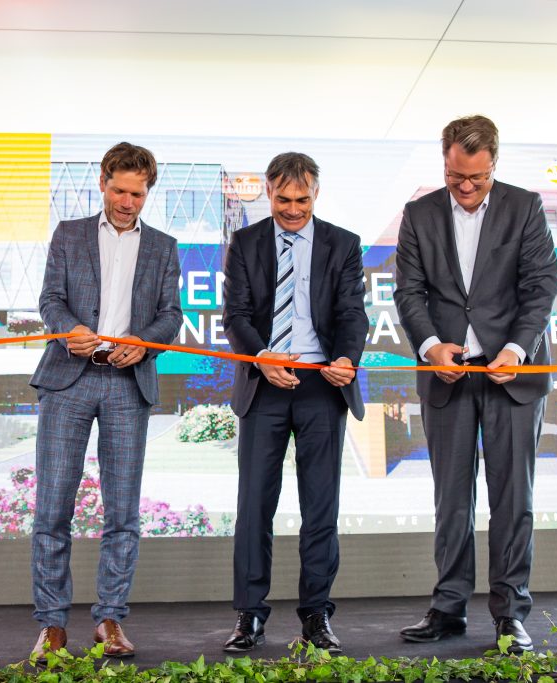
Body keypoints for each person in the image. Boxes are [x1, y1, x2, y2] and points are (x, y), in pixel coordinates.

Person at [393, 115, 557, 653]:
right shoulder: (418, 214)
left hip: (512, 374)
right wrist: (429, 345)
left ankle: (510, 613)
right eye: (455, 176)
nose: (465, 188)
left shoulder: (525, 206)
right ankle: (447, 608)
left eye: (477, 178)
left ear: (494, 164)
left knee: (513, 498)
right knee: (451, 501)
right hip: (448, 376)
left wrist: (515, 348)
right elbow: (409, 293)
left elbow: (540, 288)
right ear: (444, 162)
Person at [28, 142, 182, 661]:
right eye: (119, 190)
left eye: (137, 193)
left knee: (122, 511)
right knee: (52, 508)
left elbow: (170, 314)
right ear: (102, 182)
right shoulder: (68, 234)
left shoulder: (164, 246)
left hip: (126, 384)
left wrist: (142, 341)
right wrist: (66, 328)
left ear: (147, 193)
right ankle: (51, 626)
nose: (127, 202)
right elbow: (50, 298)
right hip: (68, 379)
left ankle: (110, 620)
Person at [221, 152, 368, 654]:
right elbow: (235, 314)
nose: (292, 209)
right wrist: (260, 356)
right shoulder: (244, 243)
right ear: (268, 192)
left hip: (322, 386)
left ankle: (316, 616)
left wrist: (347, 356)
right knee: (254, 506)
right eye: (283, 199)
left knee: (320, 508)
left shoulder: (343, 244)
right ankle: (249, 617)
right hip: (264, 383)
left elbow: (352, 311)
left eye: (302, 200)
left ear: (316, 194)